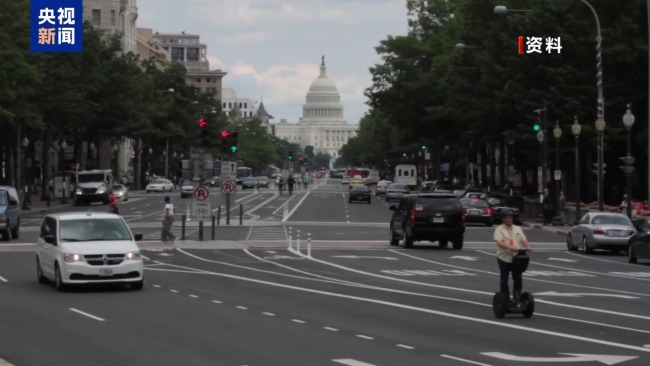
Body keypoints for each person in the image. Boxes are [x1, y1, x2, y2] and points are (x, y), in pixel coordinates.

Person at [493, 209, 532, 306]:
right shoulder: (499, 229)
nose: (509, 219)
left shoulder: (517, 228)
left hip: (516, 258)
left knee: (518, 278)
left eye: (510, 217)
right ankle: (505, 299)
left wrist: (528, 246)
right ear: (503, 219)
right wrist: (510, 247)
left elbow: (523, 239)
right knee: (504, 278)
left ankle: (517, 298)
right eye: (507, 218)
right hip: (504, 257)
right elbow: (499, 243)